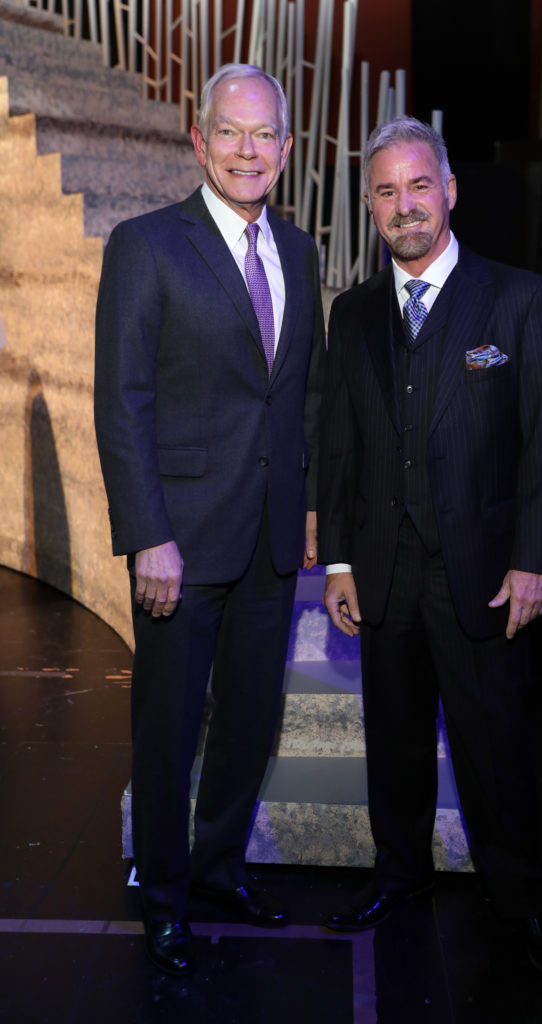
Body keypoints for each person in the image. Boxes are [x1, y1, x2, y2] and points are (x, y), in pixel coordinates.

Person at [317, 116, 542, 986]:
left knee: (494, 748)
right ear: (370, 204)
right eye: (386, 191)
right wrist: (342, 564)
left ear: (449, 190)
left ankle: (523, 904)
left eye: (418, 185)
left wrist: (535, 556)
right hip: (384, 575)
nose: (405, 206)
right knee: (392, 743)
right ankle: (399, 881)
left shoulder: (517, 299)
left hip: (484, 576)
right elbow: (340, 448)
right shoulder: (352, 313)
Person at [94, 63, 325, 975]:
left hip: (269, 539)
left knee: (248, 721)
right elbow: (125, 401)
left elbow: (296, 394)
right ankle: (163, 892)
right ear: (199, 140)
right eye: (229, 132)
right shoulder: (146, 245)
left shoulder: (301, 253)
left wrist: (306, 504)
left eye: (263, 135)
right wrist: (148, 533)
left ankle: (223, 867)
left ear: (287, 149)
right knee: (169, 726)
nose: (246, 150)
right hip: (180, 544)